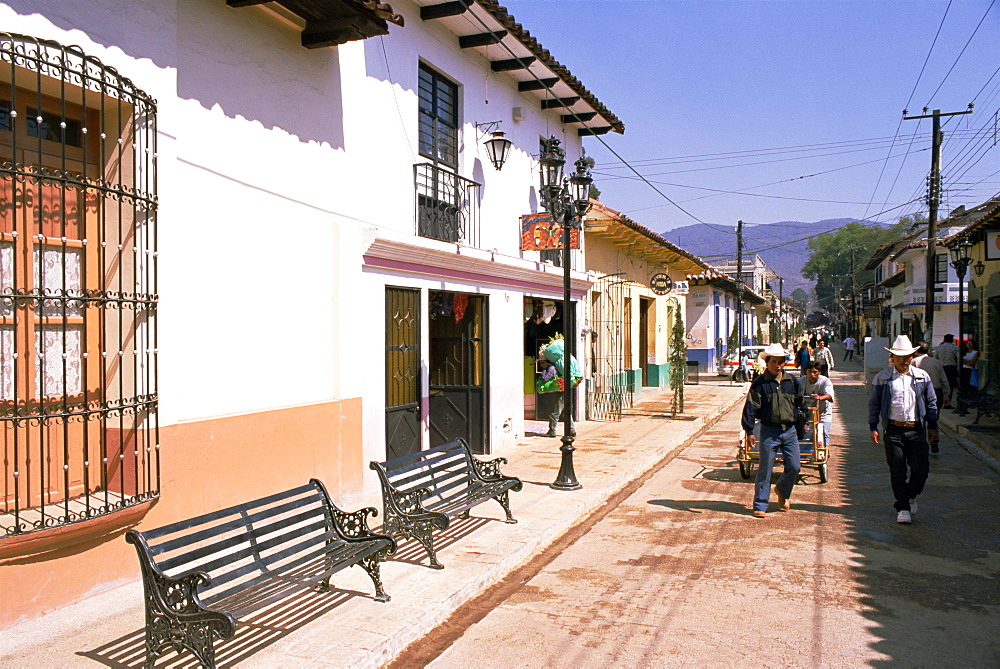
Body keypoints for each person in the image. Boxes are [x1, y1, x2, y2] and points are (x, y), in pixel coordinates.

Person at [868, 335, 939, 524]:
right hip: (893, 430)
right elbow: (874, 404)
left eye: (906, 355)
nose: (902, 359)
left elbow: (931, 402)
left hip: (916, 430)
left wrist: (932, 425)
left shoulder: (922, 377)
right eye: (898, 356)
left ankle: (910, 495)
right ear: (892, 357)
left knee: (920, 469)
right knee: (897, 470)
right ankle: (903, 507)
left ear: (912, 356)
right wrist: (873, 426)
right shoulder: (882, 378)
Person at [741, 343, 804, 518]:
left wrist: (804, 420)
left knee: (794, 467)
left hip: (789, 431)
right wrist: (750, 431)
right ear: (767, 362)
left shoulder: (792, 381)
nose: (778, 365)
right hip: (769, 431)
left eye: (781, 362)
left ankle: (782, 491)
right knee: (765, 468)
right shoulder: (760, 384)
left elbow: (800, 404)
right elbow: (750, 408)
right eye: (774, 362)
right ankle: (760, 504)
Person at [912, 342, 949, 452]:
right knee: (933, 417)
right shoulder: (936, 362)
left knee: (919, 418)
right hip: (936, 392)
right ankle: (934, 440)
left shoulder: (914, 362)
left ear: (916, 351)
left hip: (920, 393)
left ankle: (921, 441)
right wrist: (947, 395)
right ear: (927, 351)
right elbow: (944, 380)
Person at [801, 361, 835, 446]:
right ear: (806, 372)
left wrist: (820, 398)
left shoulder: (825, 381)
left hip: (823, 413)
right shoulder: (800, 381)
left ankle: (823, 450)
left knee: (822, 432)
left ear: (819, 372)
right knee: (804, 434)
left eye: (815, 372)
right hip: (807, 413)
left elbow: (829, 394)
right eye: (810, 372)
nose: (812, 375)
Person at [536, 358, 564, 437]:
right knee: (565, 412)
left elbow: (545, 379)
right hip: (562, 390)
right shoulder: (554, 368)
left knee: (555, 412)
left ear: (547, 363)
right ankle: (572, 431)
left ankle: (552, 430)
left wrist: (543, 371)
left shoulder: (551, 368)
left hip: (560, 392)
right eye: (540, 363)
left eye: (543, 363)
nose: (541, 365)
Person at [933, 334, 960, 409]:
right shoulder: (955, 348)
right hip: (951, 368)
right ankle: (947, 402)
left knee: (941, 385)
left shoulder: (939, 348)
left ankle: (940, 401)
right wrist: (958, 369)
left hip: (941, 368)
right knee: (950, 386)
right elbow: (958, 359)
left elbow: (935, 358)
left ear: (944, 339)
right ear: (952, 340)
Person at [957, 338, 980, 416]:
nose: (969, 345)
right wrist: (968, 362)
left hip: (971, 371)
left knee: (970, 388)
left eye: (970, 343)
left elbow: (973, 362)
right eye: (968, 343)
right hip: (964, 371)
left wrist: (967, 362)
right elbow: (961, 361)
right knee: (963, 388)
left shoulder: (976, 352)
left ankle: (967, 406)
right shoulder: (964, 352)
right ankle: (963, 406)